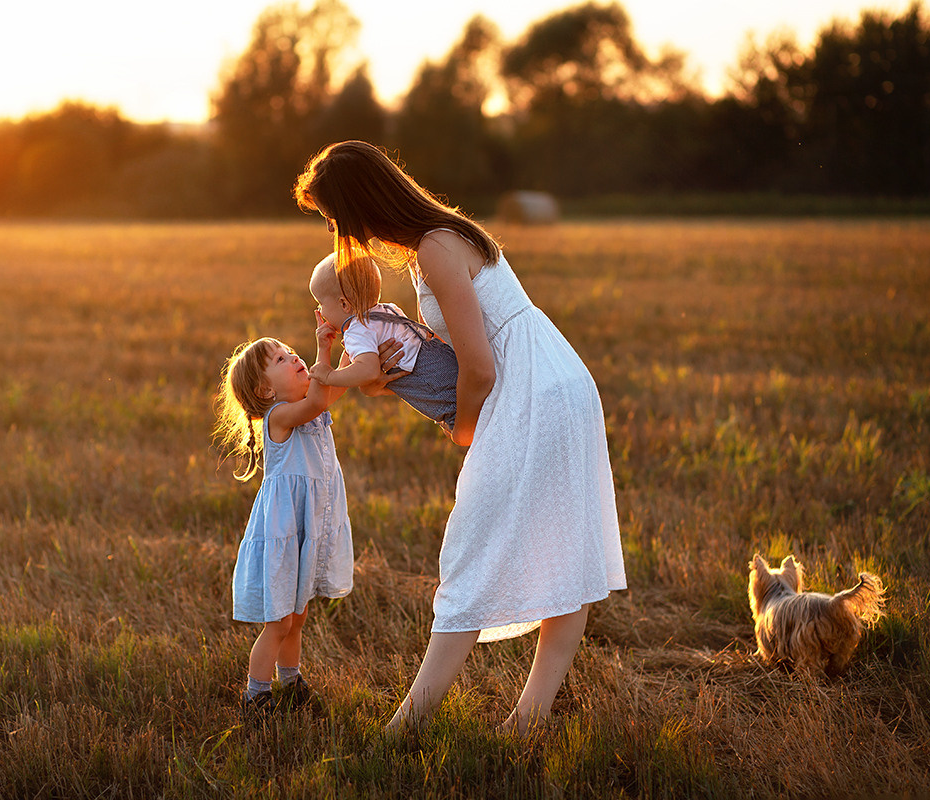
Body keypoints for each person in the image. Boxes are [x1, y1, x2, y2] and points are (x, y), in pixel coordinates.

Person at [294, 140, 626, 735]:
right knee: (558, 552)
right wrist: (390, 376)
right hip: (549, 382)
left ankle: (409, 726)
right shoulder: (435, 241)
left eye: (332, 218)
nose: (336, 233)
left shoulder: (436, 248)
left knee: (474, 550)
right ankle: (525, 724)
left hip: (533, 394)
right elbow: (454, 351)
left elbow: (480, 367)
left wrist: (465, 429)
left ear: (358, 205)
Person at [212, 319, 351, 718]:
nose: (294, 357)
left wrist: (355, 341)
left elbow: (337, 385)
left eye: (291, 352)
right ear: (266, 391)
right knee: (279, 623)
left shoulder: (306, 407)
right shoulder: (280, 416)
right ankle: (256, 696)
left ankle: (291, 681)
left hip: (306, 528)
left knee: (298, 616)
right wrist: (323, 352)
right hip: (285, 532)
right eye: (280, 359)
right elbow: (319, 401)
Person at [308, 251, 457, 428]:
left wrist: (329, 376)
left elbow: (368, 370)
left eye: (321, 304)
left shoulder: (357, 330)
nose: (320, 311)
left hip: (438, 388)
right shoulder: (389, 310)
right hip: (448, 364)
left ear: (344, 304)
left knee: (461, 423)